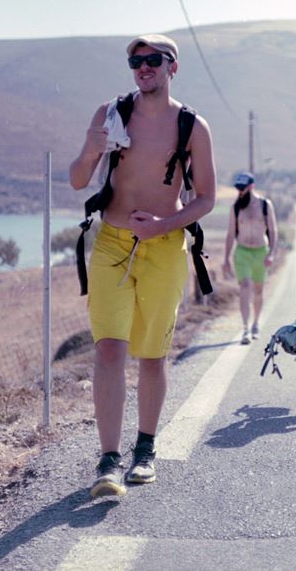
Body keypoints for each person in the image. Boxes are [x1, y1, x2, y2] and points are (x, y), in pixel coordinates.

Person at [69, 34, 216, 497]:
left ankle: (145, 449)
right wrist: (92, 149)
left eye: (153, 60)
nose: (143, 67)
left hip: (165, 246)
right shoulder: (111, 113)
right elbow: (77, 180)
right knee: (109, 349)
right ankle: (108, 461)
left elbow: (207, 198)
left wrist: (164, 225)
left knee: (153, 354)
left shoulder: (193, 126)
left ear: (173, 67)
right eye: (136, 61)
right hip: (111, 242)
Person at [223, 172, 278, 344]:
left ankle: (256, 323)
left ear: (251, 186)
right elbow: (231, 233)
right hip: (242, 252)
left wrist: (272, 253)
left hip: (260, 252)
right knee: (245, 287)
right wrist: (225, 259)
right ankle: (245, 328)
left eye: (243, 188)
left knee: (258, 290)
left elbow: (273, 231)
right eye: (237, 188)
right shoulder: (236, 207)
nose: (240, 191)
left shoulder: (264, 205)